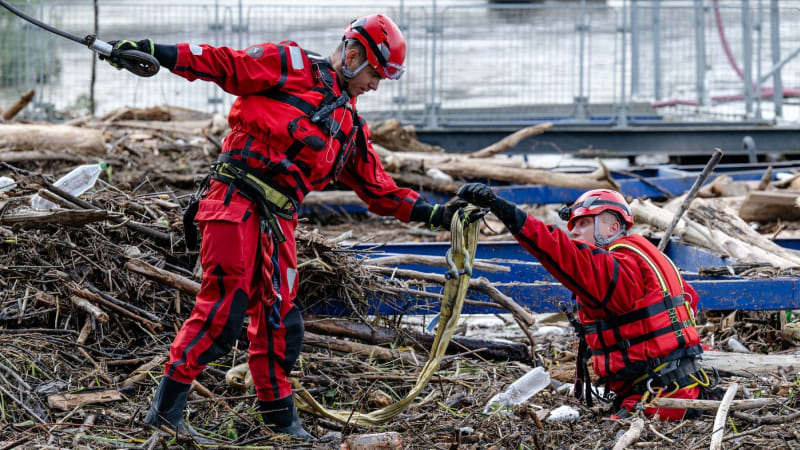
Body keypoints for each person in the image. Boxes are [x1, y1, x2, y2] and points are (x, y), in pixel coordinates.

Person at [104, 14, 471, 441]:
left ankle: (281, 422)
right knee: (222, 312)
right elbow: (225, 63)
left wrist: (440, 214)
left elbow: (381, 191)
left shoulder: (349, 127)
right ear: (353, 56)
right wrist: (155, 52)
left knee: (281, 323)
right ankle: (164, 413)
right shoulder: (291, 64)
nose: (374, 85)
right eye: (374, 74)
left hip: (278, 223)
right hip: (234, 202)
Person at [457, 183, 718, 420]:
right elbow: (689, 300)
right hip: (684, 387)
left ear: (613, 228)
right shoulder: (647, 257)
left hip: (655, 400)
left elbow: (555, 248)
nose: (574, 232)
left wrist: (502, 209)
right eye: (573, 225)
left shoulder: (614, 268)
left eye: (584, 224)